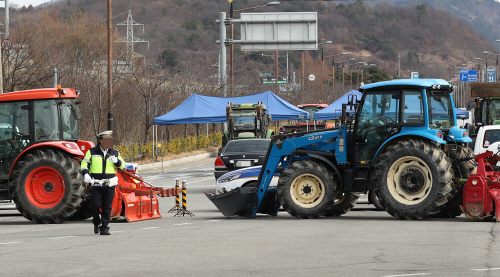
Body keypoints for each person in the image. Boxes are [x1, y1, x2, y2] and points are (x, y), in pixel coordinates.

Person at [81, 130, 125, 235]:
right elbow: (84, 163)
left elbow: (123, 165)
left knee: (107, 206)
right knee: (94, 205)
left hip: (109, 184)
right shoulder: (92, 151)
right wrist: (85, 174)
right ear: (101, 140)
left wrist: (117, 162)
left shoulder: (115, 152)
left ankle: (104, 227)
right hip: (96, 183)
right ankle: (96, 222)